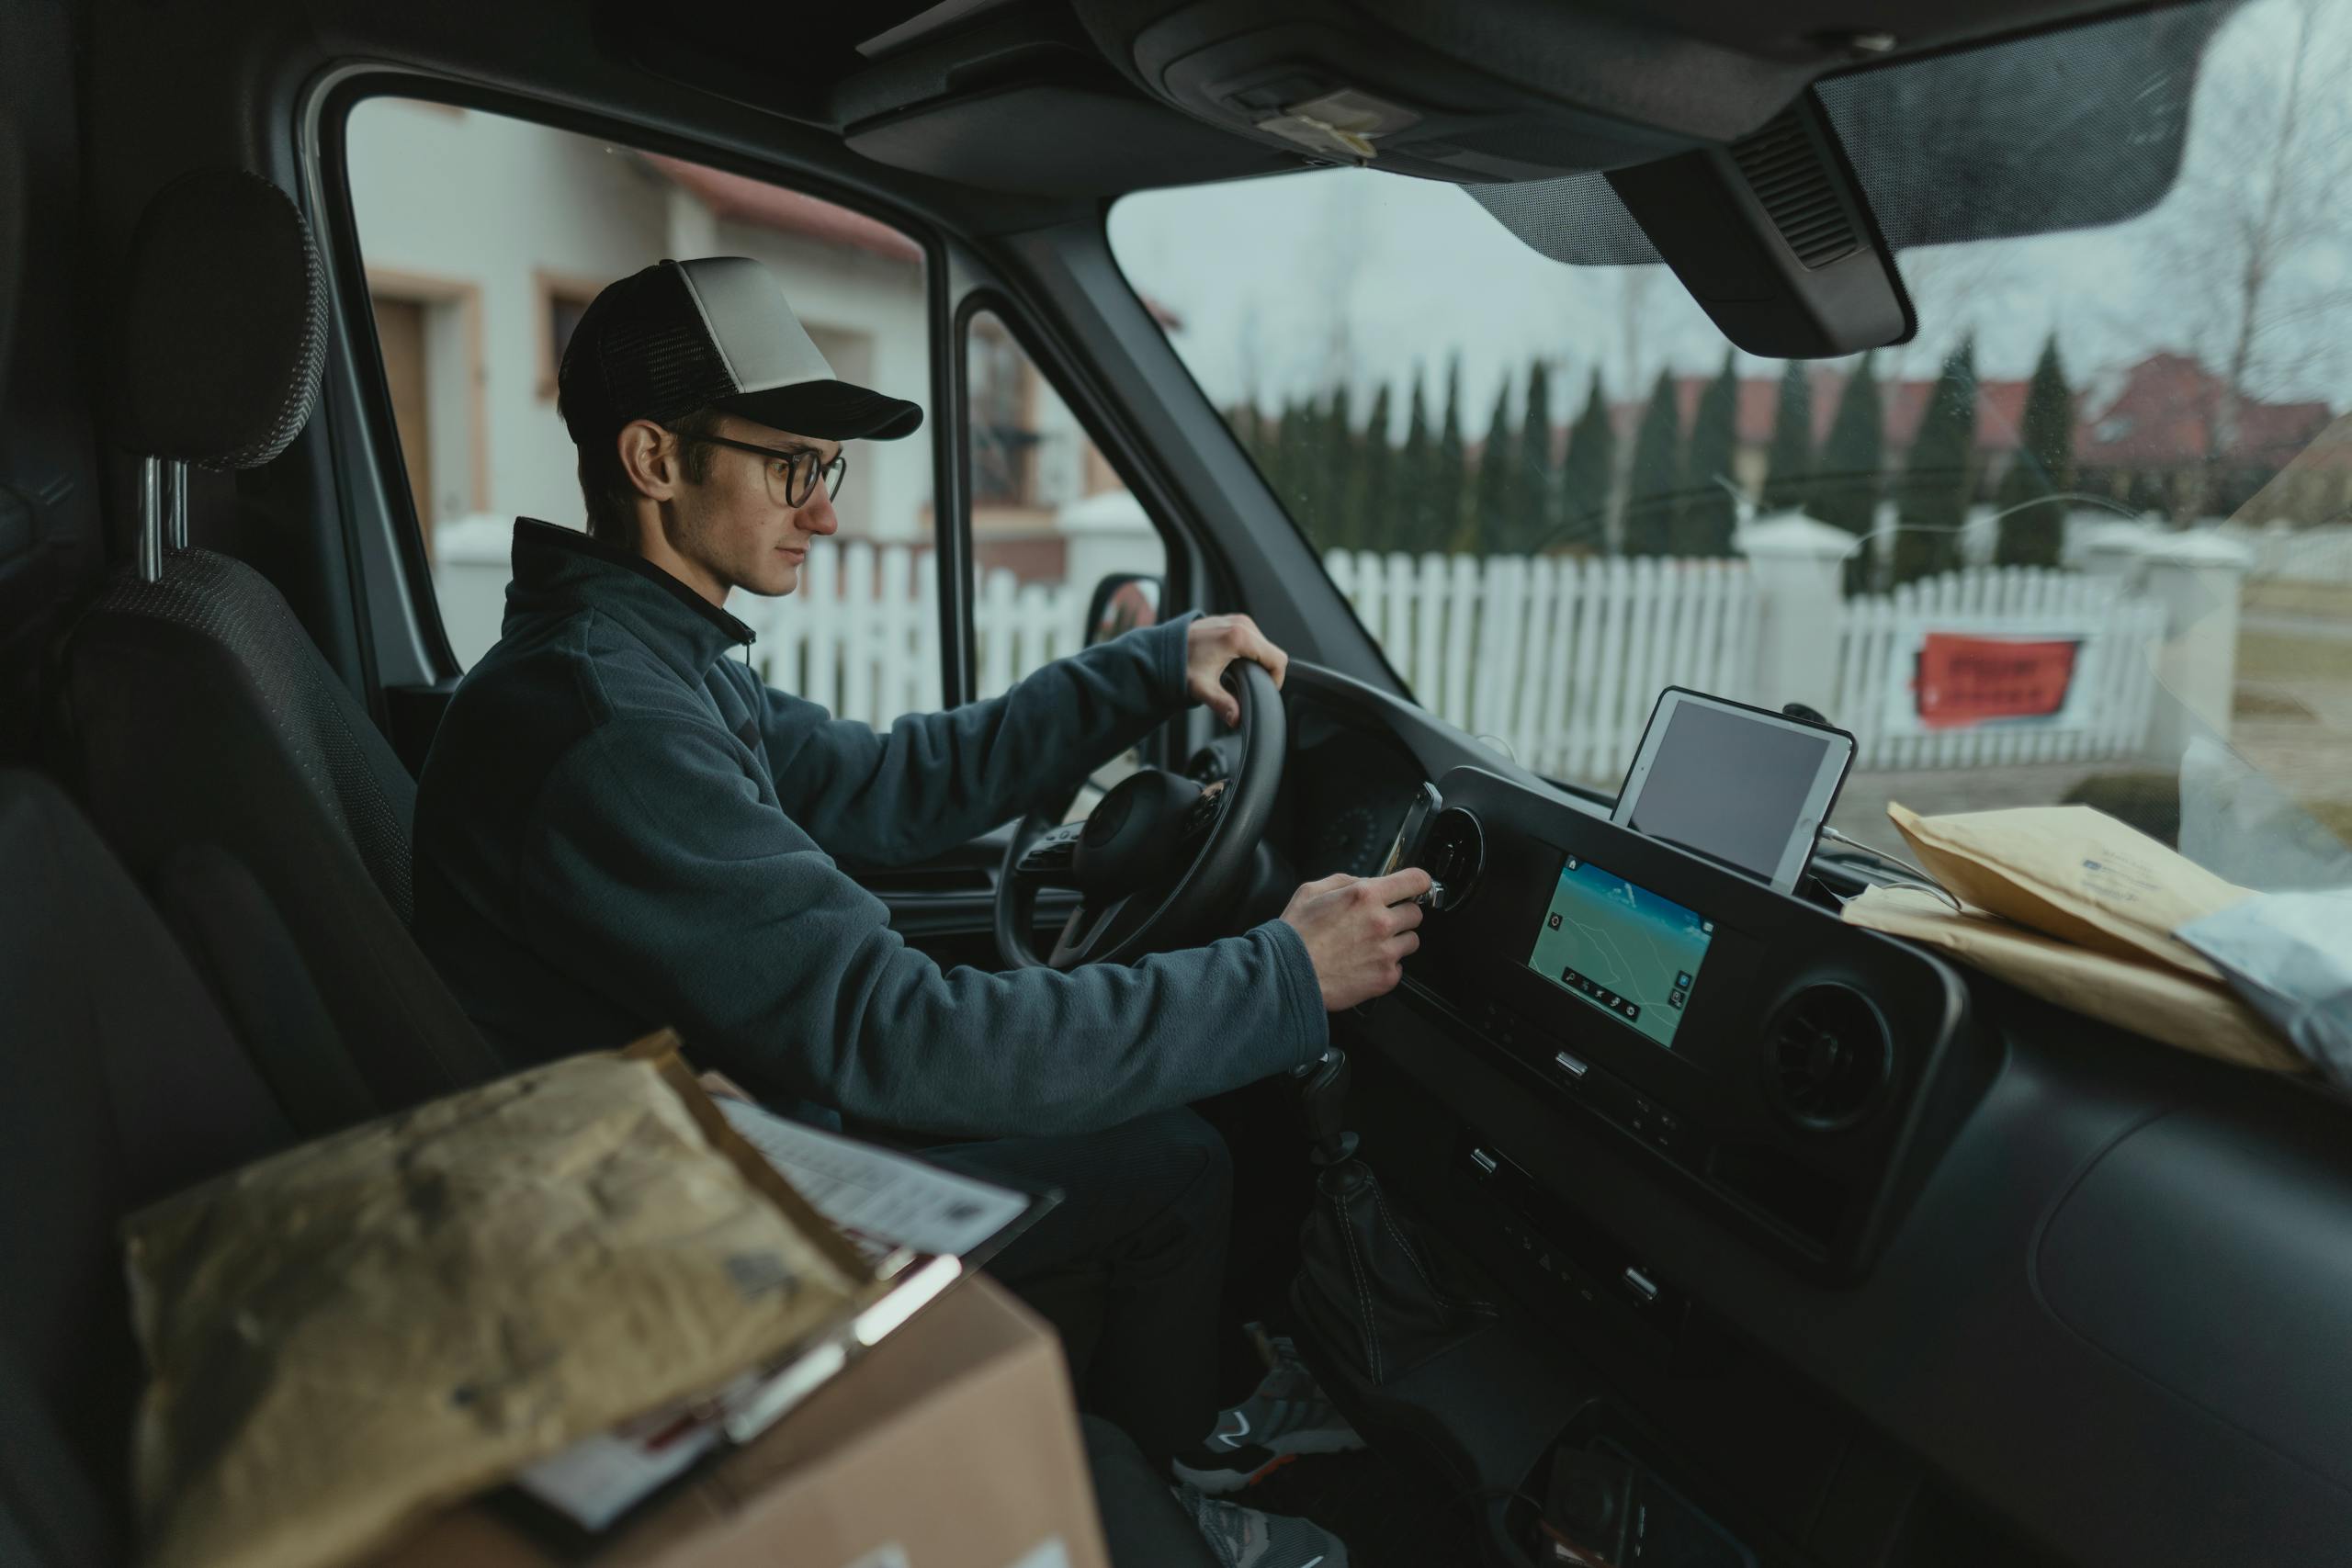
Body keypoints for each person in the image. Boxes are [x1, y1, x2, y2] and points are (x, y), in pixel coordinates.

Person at [412, 257, 1421, 1563]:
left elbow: (891, 785)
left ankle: (1180, 1435)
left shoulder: (646, 661)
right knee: (1175, 1168)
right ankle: (1177, 1484)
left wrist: (1145, 668)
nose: (822, 515)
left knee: (1168, 1154)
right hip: (676, 1229)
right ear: (655, 458)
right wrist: (1284, 975)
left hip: (704, 1143)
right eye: (792, 468)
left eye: (824, 473)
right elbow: (898, 1036)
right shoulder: (611, 721)